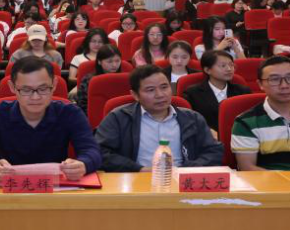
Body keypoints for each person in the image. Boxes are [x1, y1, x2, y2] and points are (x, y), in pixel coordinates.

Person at [0, 56, 101, 179]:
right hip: (7, 188)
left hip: (56, 188)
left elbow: (92, 151)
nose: (35, 97)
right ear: (12, 87)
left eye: (43, 89)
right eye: (26, 90)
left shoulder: (70, 113)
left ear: (54, 85)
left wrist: (83, 164)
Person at [95, 64, 223, 172]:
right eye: (150, 90)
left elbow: (214, 152)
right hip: (136, 180)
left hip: (182, 181)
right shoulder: (119, 118)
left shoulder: (192, 118)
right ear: (135, 95)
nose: (160, 95)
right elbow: (100, 152)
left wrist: (185, 170)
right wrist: (138, 169)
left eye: (164, 87)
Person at [182, 50, 251, 132]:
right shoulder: (192, 93)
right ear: (207, 70)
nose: (229, 69)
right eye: (223, 66)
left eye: (231, 65)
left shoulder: (243, 92)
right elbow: (189, 121)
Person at [76, 44, 122, 114]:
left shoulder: (124, 79)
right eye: (109, 61)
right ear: (99, 61)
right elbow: (82, 105)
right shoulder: (89, 80)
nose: (114, 65)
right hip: (95, 116)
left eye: (117, 61)